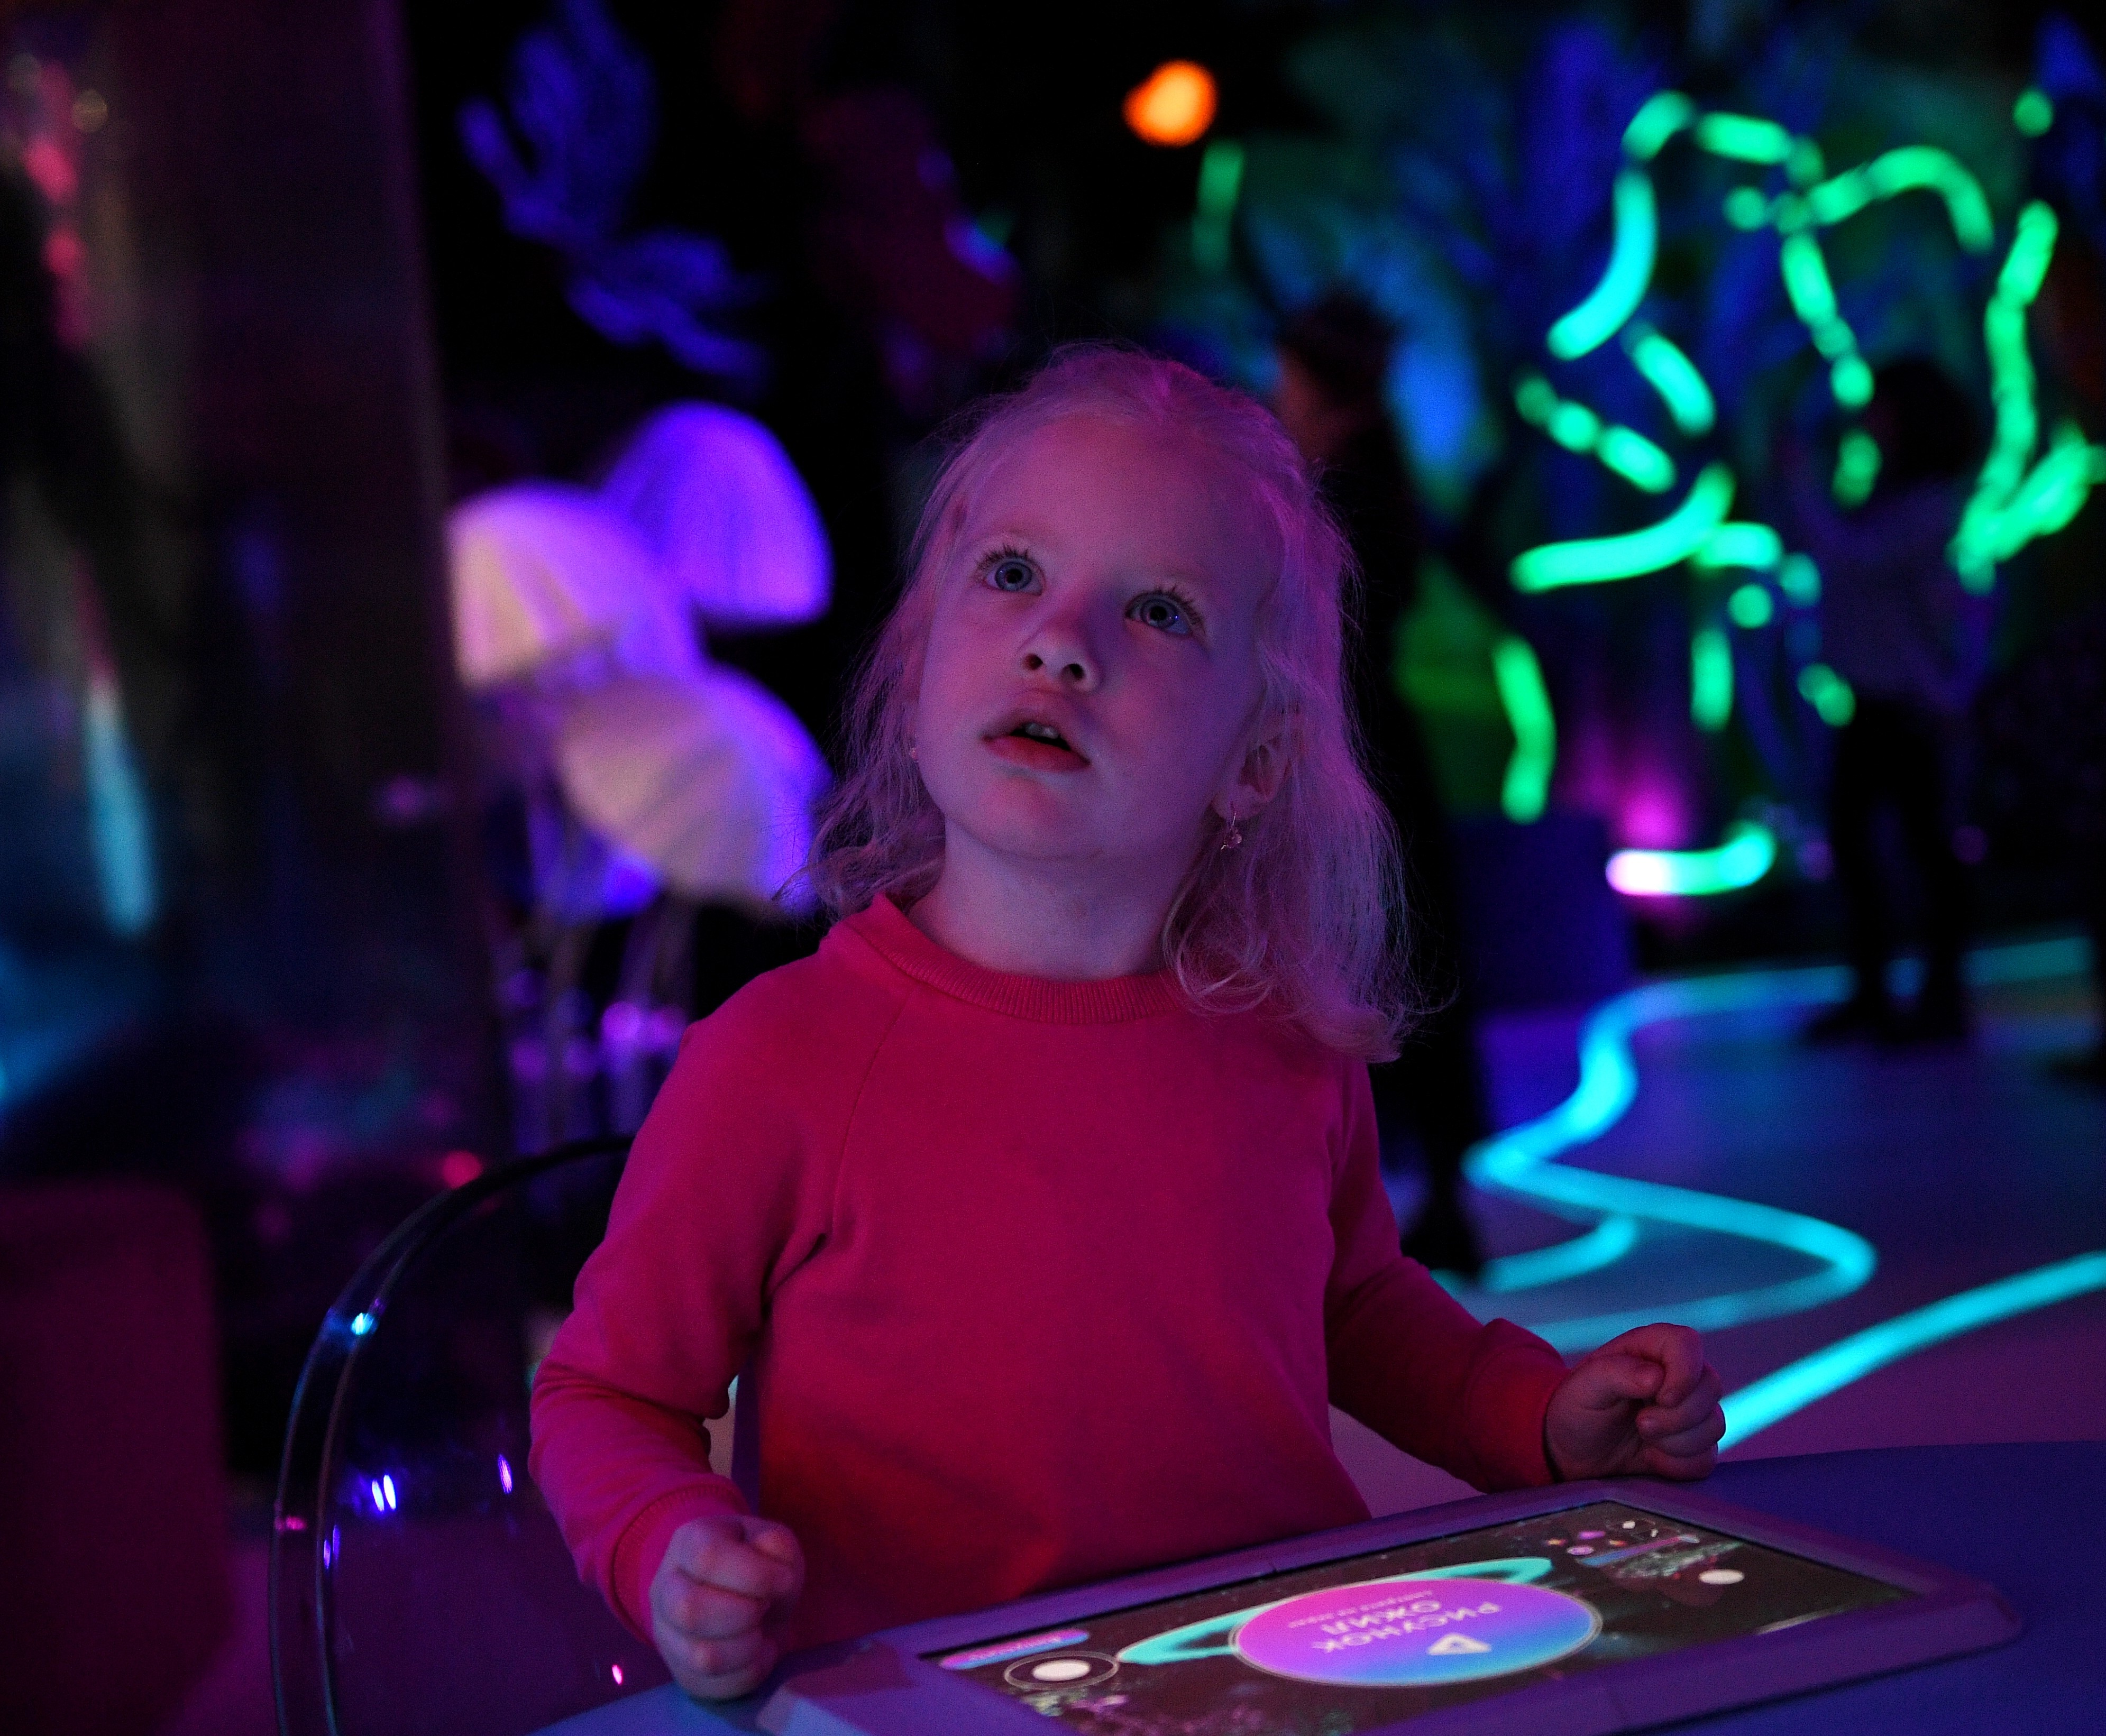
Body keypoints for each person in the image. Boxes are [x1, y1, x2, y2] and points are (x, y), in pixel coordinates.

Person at [529, 348, 1728, 1700]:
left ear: (1257, 760)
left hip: (1282, 1691)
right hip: (936, 1713)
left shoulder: (1289, 1043)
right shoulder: (781, 1059)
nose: (1062, 642)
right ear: (915, 668)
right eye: (1013, 573)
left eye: (1159, 610)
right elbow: (607, 1395)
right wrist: (669, 1543)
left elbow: (1353, 1306)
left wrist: (1537, 1411)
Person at [1274, 293, 1492, 1276]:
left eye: (1286, 377)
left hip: (1356, 753)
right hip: (1375, 747)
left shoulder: (1342, 488)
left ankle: (1408, 1204)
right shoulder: (1370, 472)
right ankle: (1431, 1195)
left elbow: (1335, 633)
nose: (1276, 393)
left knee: (1383, 960)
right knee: (1403, 958)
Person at [1785, 359, 1985, 1042]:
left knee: (1926, 851)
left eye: (1880, 406)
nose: (1866, 419)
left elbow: (1857, 557)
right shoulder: (1887, 496)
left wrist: (1800, 485)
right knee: (1860, 846)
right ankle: (1879, 992)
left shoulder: (1927, 505)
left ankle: (1940, 997)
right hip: (1876, 700)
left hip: (1912, 703)